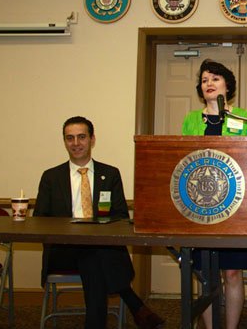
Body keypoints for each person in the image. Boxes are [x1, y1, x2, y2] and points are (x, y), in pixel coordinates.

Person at [34, 116, 165, 329]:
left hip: (100, 247)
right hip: (63, 250)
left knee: (92, 257)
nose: (76, 143)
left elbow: (122, 215)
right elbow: (40, 220)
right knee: (94, 256)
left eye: (81, 137)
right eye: (70, 138)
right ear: (65, 141)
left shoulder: (110, 174)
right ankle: (136, 306)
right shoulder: (51, 177)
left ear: (92, 139)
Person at [181, 59, 247, 329]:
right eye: (204, 80)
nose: (209, 84)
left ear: (228, 85)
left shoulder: (245, 118)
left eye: (215, 78)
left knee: (233, 272)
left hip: (235, 206)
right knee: (206, 275)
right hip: (199, 207)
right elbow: (181, 160)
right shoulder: (191, 120)